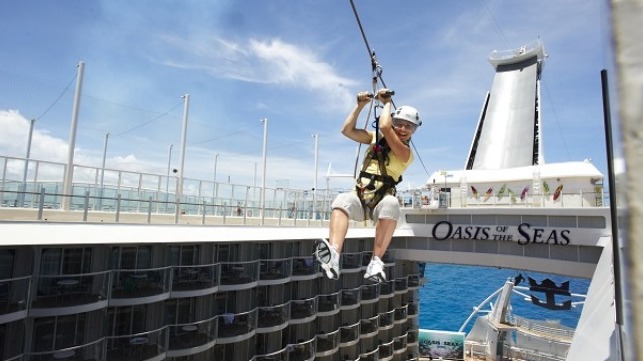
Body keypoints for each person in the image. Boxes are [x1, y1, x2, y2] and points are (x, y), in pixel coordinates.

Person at [315, 88, 421, 282]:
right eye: (399, 124)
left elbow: (384, 127)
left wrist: (387, 102)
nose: (404, 129)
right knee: (342, 200)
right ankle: (334, 255)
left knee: (391, 204)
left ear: (414, 130)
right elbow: (347, 130)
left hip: (381, 200)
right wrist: (360, 105)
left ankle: (376, 262)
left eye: (409, 126)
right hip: (361, 195)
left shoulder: (406, 153)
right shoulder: (375, 139)